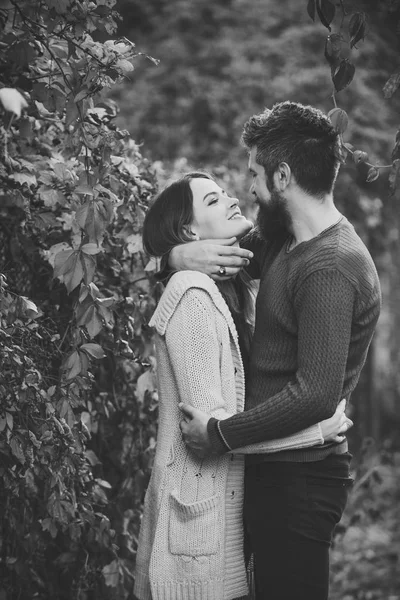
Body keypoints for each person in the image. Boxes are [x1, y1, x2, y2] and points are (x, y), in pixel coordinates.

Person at [170, 102, 382, 600]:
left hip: (302, 482)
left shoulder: (331, 265)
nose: (249, 189)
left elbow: (315, 394)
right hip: (274, 467)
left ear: (283, 176)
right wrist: (178, 253)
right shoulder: (282, 239)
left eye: (256, 175)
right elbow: (210, 254)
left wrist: (219, 434)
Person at [133, 171, 351, 600]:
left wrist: (172, 256)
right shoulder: (193, 295)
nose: (235, 196)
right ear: (189, 230)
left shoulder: (231, 280)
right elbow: (209, 434)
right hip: (195, 537)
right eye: (213, 200)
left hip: (218, 527)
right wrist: (313, 432)